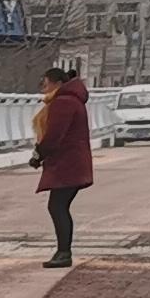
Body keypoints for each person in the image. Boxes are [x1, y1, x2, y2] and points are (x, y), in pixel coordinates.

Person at [32, 58, 92, 268]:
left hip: (68, 163)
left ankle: (64, 253)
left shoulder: (63, 102)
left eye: (46, 83)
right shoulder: (72, 99)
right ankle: (63, 251)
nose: (43, 88)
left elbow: (54, 135)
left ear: (57, 83)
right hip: (73, 161)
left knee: (57, 206)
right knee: (59, 206)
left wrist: (39, 154)